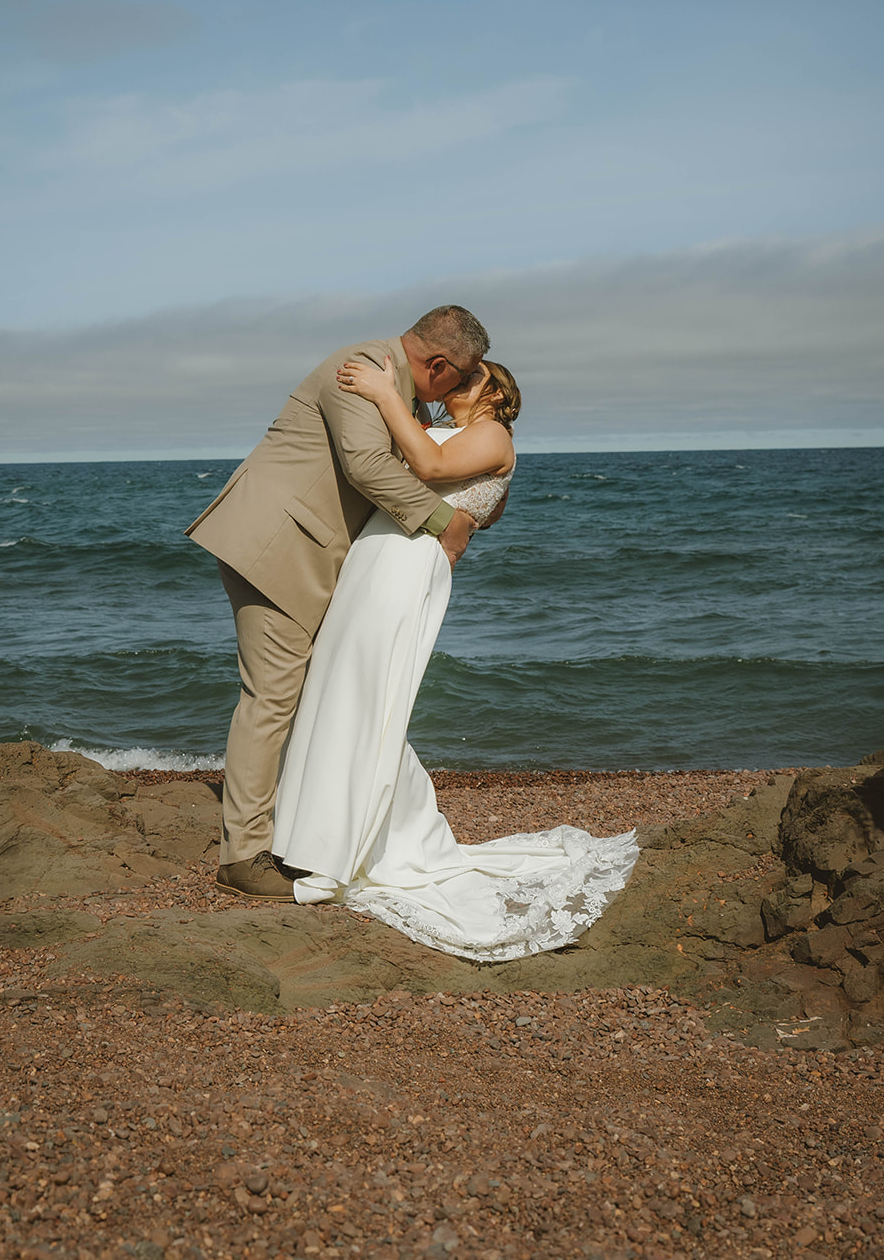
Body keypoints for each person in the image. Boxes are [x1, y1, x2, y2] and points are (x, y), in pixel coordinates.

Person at [272, 355, 639, 962]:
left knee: (373, 694)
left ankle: (345, 845)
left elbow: (431, 465)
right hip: (376, 551)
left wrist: (383, 391)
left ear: (497, 392)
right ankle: (325, 830)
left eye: (471, 378)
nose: (456, 385)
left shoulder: (493, 435)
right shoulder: (444, 425)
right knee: (340, 687)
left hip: (407, 560)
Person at [185, 305, 491, 899]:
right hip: (274, 545)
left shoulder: (400, 388)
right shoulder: (363, 369)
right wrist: (442, 522)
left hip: (306, 555)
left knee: (303, 694)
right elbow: (367, 465)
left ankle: (291, 829)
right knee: (272, 696)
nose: (456, 390)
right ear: (439, 365)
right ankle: (243, 856)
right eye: (461, 376)